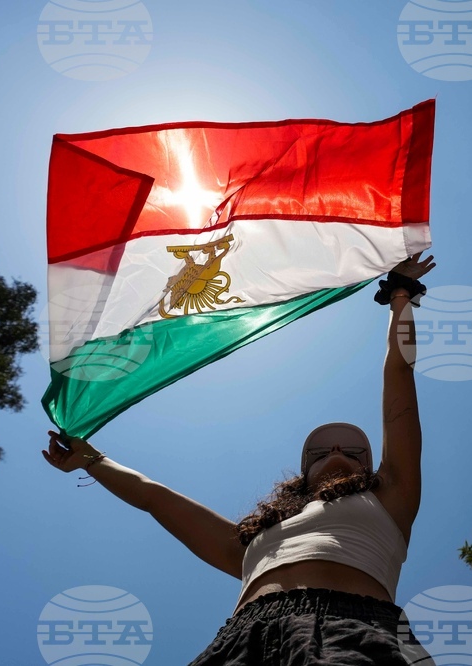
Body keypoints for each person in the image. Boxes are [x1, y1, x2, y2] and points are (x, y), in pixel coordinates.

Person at [44, 254, 437, 666]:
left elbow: (399, 370)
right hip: (240, 641)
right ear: (302, 476)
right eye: (322, 452)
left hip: (356, 629)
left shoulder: (392, 495)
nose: (337, 452)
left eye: (351, 451)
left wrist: (401, 293)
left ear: (370, 470)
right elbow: (153, 497)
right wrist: (91, 459)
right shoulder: (248, 542)